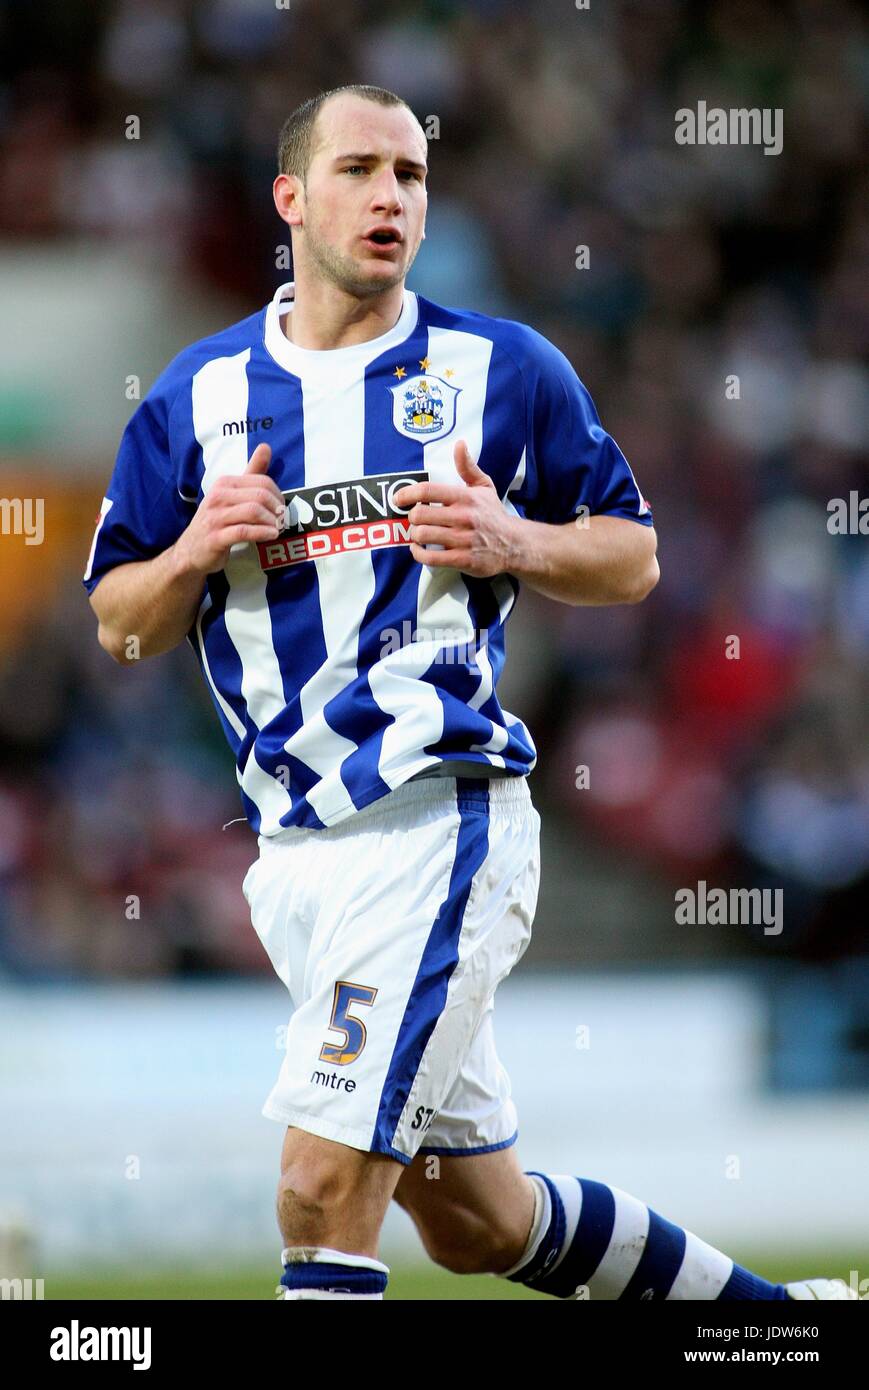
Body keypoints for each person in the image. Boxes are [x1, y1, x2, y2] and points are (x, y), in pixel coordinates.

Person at [83, 84, 853, 1302]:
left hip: (433, 820)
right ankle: (775, 1324)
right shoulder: (194, 398)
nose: (391, 194)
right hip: (296, 853)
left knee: (318, 1193)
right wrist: (188, 552)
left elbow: (634, 553)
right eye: (358, 169)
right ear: (290, 198)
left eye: (410, 172)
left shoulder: (499, 367)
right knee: (478, 1227)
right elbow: (120, 622)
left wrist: (515, 541)